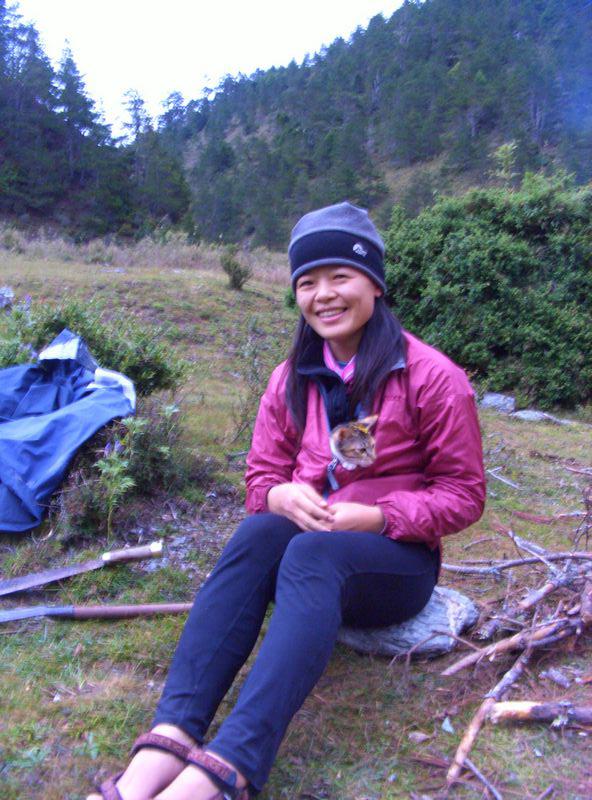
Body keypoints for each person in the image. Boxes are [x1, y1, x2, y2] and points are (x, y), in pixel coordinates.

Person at [88, 201, 486, 800]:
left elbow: (464, 494)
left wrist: (379, 516)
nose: (324, 295)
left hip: (395, 565)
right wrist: (280, 495)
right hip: (311, 558)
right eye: (307, 282)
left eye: (340, 276)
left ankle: (229, 766)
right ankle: (168, 738)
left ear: (374, 284)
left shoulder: (431, 377)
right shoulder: (290, 378)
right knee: (258, 534)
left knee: (310, 555)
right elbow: (260, 479)